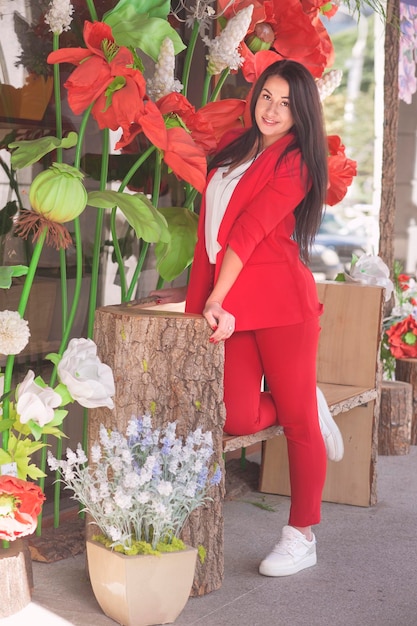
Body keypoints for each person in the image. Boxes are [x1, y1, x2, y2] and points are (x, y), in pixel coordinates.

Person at [151, 59, 343, 577]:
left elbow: (251, 231)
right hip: (231, 303)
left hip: (279, 303)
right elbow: (209, 234)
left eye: (285, 103)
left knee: (299, 423)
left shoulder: (299, 160)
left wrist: (216, 298)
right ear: (255, 94)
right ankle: (301, 395)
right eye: (266, 97)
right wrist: (197, 297)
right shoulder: (234, 150)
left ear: (301, 112)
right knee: (235, 416)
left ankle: (301, 534)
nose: (272, 110)